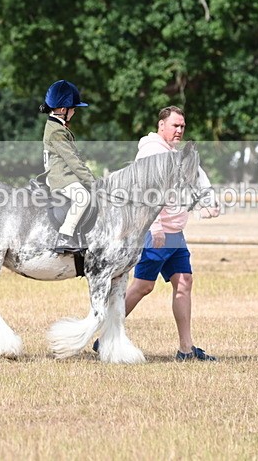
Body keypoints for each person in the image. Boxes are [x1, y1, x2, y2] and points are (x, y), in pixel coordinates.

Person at [96, 106, 220, 361]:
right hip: (157, 232)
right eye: (175, 125)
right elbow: (145, 192)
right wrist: (155, 228)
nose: (179, 130)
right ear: (161, 126)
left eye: (182, 126)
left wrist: (208, 202)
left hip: (175, 232)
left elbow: (198, 176)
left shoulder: (176, 154)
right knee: (143, 286)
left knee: (184, 282)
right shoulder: (152, 151)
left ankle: (186, 349)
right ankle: (104, 338)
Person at [40, 80, 96, 253]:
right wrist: (92, 180)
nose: (75, 111)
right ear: (63, 109)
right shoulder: (57, 131)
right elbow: (72, 160)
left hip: (63, 173)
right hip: (60, 176)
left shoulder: (57, 126)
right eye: (73, 108)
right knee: (83, 197)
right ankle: (65, 235)